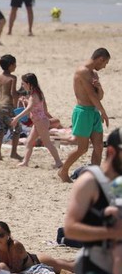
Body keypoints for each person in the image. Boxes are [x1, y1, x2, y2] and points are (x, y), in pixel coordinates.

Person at [63, 129, 122, 274]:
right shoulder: (90, 181)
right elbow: (70, 228)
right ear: (111, 152)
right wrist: (111, 233)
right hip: (96, 271)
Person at [58, 48, 111, 182]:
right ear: (100, 59)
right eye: (105, 63)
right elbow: (91, 95)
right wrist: (103, 112)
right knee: (82, 148)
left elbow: (99, 96)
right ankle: (63, 171)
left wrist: (99, 87)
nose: (104, 67)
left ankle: (92, 178)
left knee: (98, 147)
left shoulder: (94, 74)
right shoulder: (82, 71)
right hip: (83, 112)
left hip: (93, 112)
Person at [12, 73, 63, 168]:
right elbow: (36, 105)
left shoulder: (33, 95)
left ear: (29, 83)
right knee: (29, 142)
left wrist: (16, 118)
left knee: (47, 143)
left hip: (40, 122)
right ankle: (25, 162)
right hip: (39, 122)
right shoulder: (37, 93)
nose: (22, 86)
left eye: (23, 84)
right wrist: (26, 101)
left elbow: (29, 109)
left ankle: (58, 162)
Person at [0, 221, 74, 274]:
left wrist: (2, 267)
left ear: (8, 235)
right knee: (66, 262)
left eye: (0, 235)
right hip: (32, 259)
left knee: (72, 268)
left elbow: (17, 269)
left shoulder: (15, 246)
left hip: (38, 261)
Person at [0, 54, 22, 162]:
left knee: (0, 129)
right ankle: (13, 152)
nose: (15, 66)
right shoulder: (13, 78)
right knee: (17, 129)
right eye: (14, 64)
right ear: (10, 65)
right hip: (8, 105)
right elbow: (13, 93)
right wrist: (17, 104)